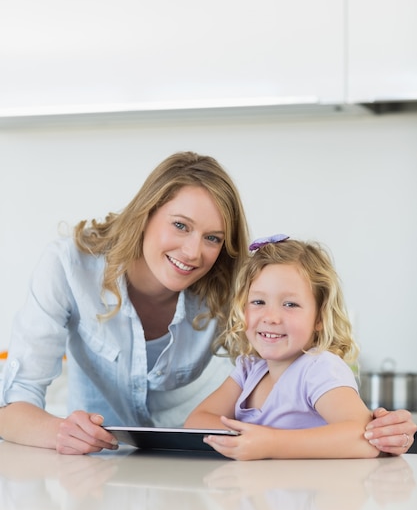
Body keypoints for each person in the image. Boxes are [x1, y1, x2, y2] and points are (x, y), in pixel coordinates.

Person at [0, 154, 415, 455]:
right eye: (180, 225)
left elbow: (342, 419)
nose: (194, 252)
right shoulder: (68, 267)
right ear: (145, 215)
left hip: (201, 461)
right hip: (102, 461)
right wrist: (60, 432)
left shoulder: (235, 284)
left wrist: (378, 428)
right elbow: (11, 406)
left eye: (213, 238)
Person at [185, 235, 415, 460]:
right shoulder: (249, 369)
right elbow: (196, 421)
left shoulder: (318, 367)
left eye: (290, 304)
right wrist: (247, 440)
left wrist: (271, 444)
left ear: (320, 318)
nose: (271, 317)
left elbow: (364, 437)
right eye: (258, 302)